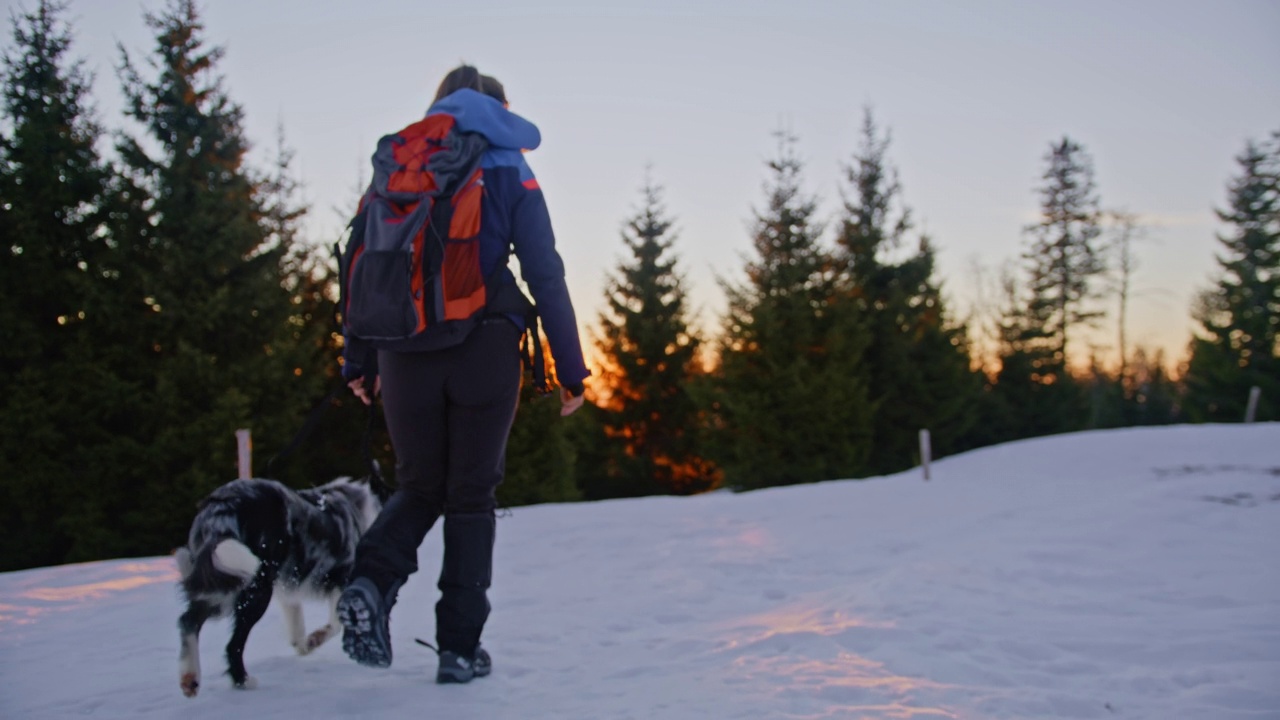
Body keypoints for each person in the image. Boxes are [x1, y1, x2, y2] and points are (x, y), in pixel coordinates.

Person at [336, 64, 589, 684]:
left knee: (419, 487)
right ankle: (458, 649)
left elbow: (364, 262)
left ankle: (369, 581)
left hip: (403, 352)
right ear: (499, 107)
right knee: (470, 497)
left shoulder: (402, 163)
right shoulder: (506, 162)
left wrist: (358, 359)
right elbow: (544, 269)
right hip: (483, 347)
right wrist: (571, 368)